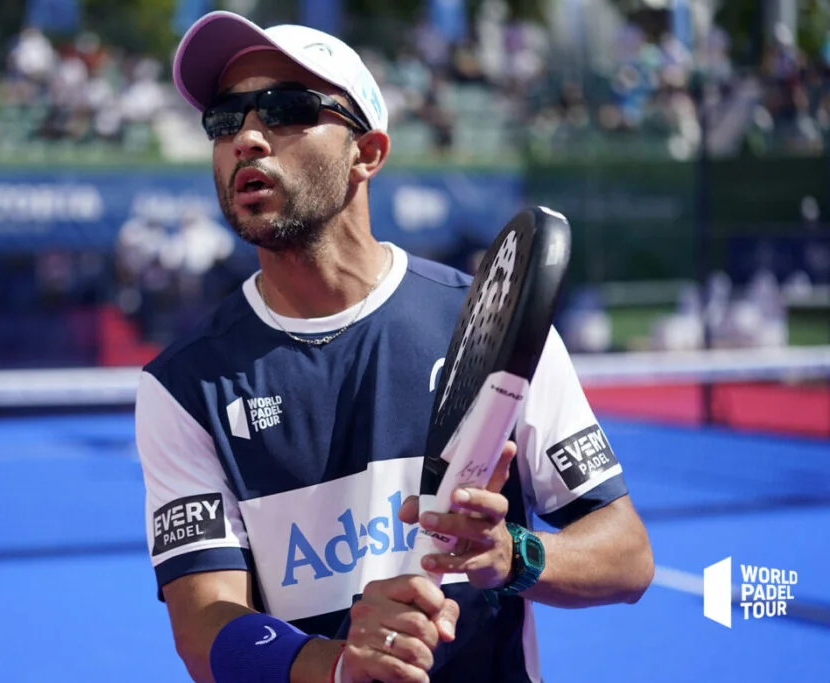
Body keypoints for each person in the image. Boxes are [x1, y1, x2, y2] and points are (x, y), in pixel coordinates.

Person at [135, 11, 654, 683]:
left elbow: (628, 555)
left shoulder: (495, 323)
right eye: (225, 121)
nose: (248, 138)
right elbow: (203, 625)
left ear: (369, 153)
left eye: (286, 109)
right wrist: (340, 665)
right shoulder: (183, 385)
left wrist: (512, 553)